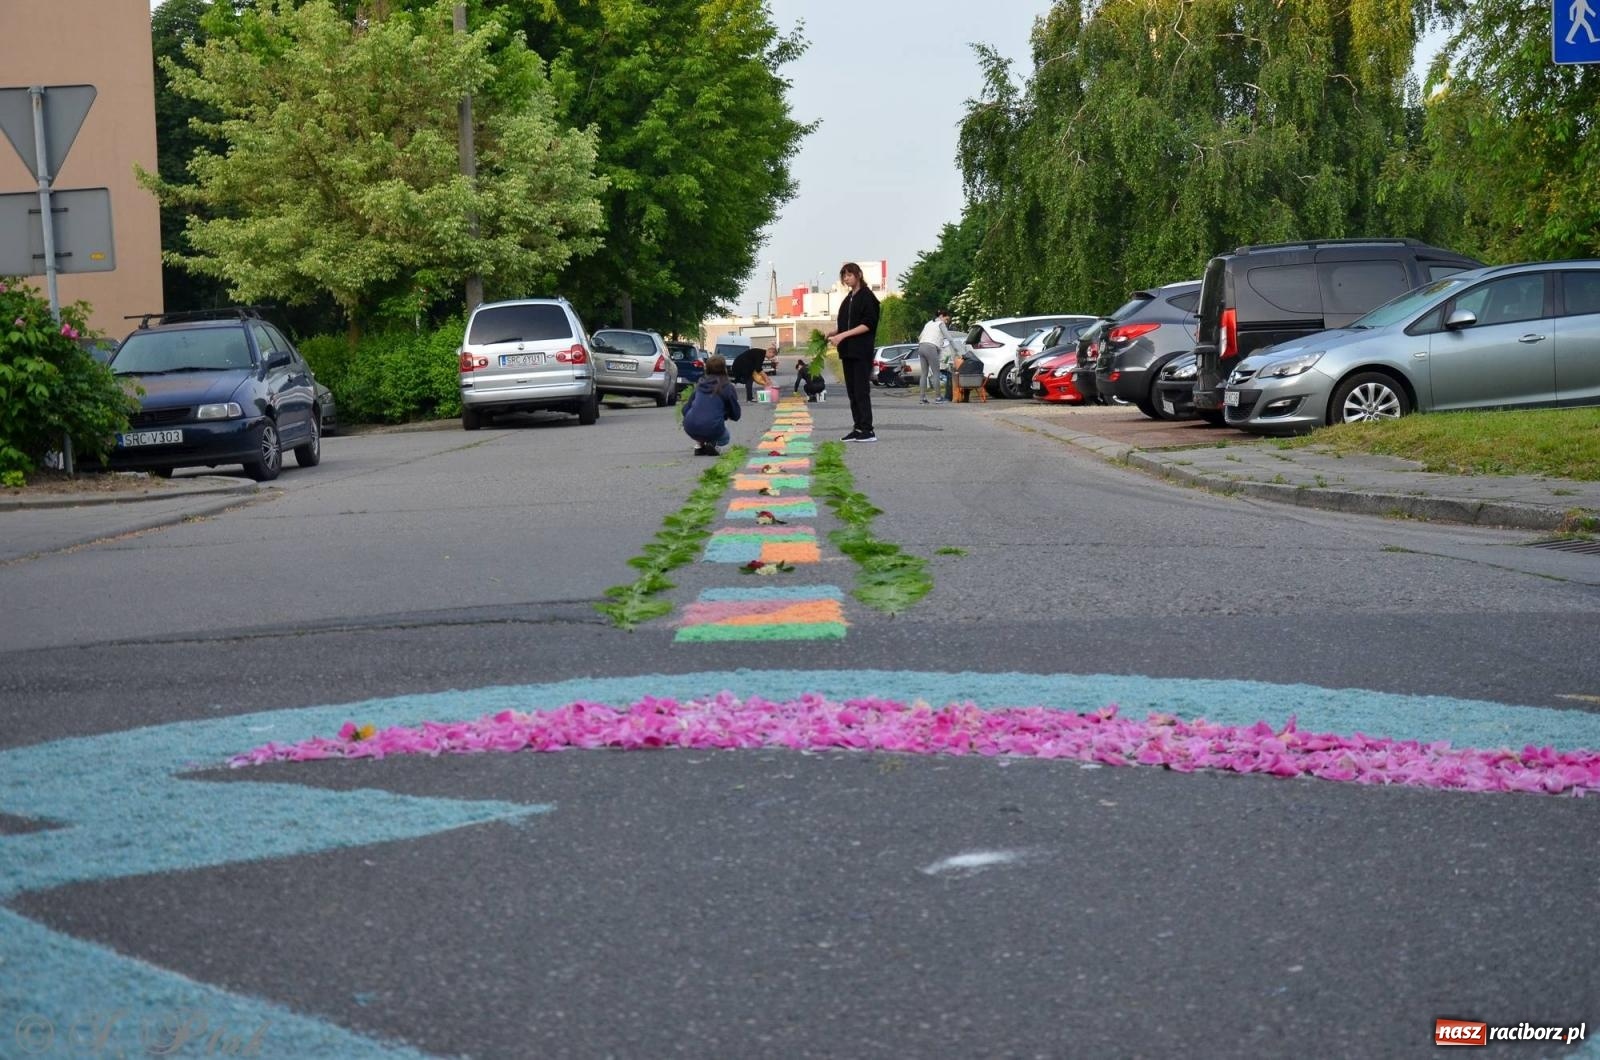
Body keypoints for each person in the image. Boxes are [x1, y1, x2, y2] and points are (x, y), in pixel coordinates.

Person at [827, 262, 880, 441]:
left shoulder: (867, 297)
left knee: (861, 391)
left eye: (849, 275)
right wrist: (833, 333)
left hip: (861, 351)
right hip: (847, 351)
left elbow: (868, 324)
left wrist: (842, 336)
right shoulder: (849, 298)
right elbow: (845, 324)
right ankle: (857, 428)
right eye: (844, 276)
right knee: (852, 391)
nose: (846, 278)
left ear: (858, 275)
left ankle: (868, 430)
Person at [681, 353, 741, 456]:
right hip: (712, 427)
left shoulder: (700, 384)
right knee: (725, 438)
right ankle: (712, 443)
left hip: (690, 426)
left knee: (704, 421)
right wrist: (726, 414)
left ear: (707, 369)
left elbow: (685, 409)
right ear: (724, 369)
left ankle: (699, 445)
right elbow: (736, 414)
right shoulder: (727, 386)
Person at [916, 308, 954, 404]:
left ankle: (922, 398)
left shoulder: (928, 323)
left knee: (924, 374)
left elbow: (920, 337)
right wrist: (957, 349)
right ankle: (938, 398)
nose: (946, 322)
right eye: (946, 319)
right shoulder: (940, 324)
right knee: (936, 373)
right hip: (931, 348)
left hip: (921, 347)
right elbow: (949, 338)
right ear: (941, 316)